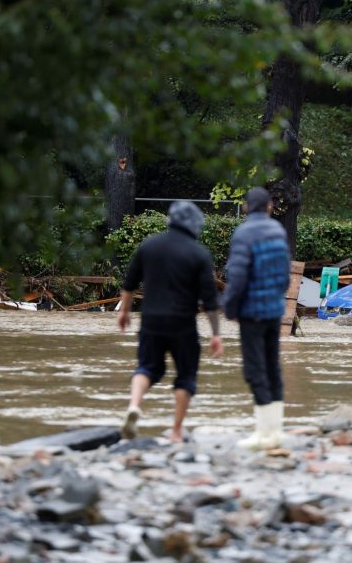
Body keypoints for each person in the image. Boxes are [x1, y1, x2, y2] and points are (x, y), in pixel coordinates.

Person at [117, 200, 223, 442]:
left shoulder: (149, 245)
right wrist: (216, 334)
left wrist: (124, 312)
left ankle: (134, 405)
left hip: (151, 320)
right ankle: (176, 431)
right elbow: (210, 301)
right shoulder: (199, 254)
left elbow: (129, 283)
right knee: (186, 375)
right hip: (182, 323)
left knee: (147, 367)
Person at [222, 187, 291, 450]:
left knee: (254, 370)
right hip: (274, 310)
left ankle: (263, 433)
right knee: (272, 367)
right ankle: (276, 431)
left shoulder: (245, 233)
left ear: (246, 207)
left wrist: (230, 308)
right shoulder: (278, 231)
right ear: (270, 206)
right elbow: (285, 275)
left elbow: (237, 275)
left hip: (252, 312)